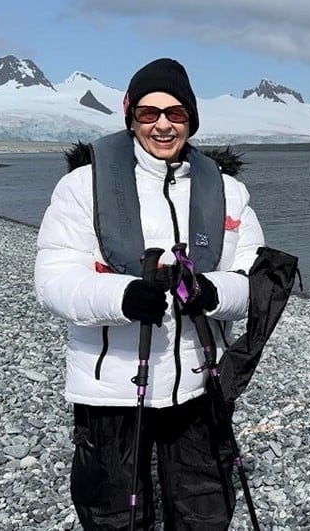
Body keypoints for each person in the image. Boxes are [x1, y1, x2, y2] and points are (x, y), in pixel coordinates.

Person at [34, 58, 265, 530]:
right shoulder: (83, 187)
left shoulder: (227, 191)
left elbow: (254, 283)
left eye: (175, 113)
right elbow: (53, 279)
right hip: (110, 386)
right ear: (130, 116)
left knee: (206, 510)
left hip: (200, 384)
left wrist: (210, 291)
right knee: (114, 515)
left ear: (191, 119)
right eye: (148, 113)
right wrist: (122, 297)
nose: (162, 124)